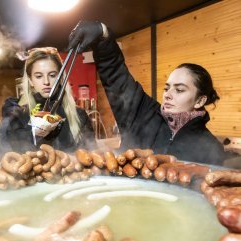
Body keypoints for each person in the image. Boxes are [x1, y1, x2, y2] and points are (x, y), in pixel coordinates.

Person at [68, 21, 228, 165]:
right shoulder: (143, 113)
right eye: (167, 88)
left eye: (179, 90)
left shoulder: (211, 149)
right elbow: (116, 76)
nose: (168, 94)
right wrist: (103, 36)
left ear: (199, 101)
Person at [0, 47, 95, 156]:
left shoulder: (79, 115)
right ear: (30, 80)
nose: (46, 82)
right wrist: (8, 124)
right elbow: (10, 158)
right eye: (39, 76)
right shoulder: (19, 116)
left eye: (52, 75)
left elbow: (92, 155)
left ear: (61, 78)